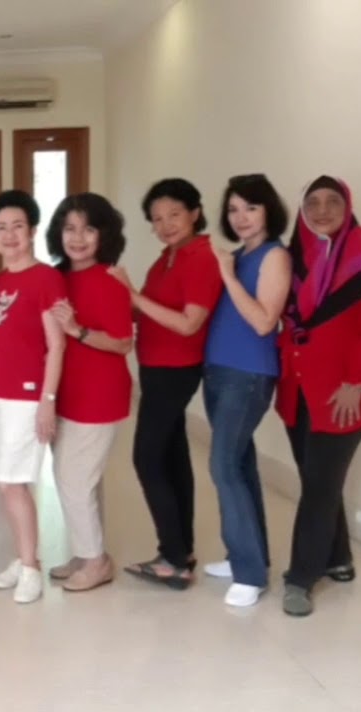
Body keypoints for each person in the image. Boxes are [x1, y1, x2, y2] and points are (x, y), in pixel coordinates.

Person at [277, 176, 361, 617]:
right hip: (298, 389)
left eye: (333, 201)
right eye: (313, 202)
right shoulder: (297, 257)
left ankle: (300, 579)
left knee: (319, 487)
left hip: (344, 394)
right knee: (319, 482)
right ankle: (339, 558)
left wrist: (355, 382)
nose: (323, 210)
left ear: (347, 208)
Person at [111, 178, 223, 590]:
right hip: (156, 367)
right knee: (172, 458)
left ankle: (173, 556)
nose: (165, 225)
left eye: (174, 214)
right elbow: (149, 312)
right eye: (157, 219)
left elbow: (190, 322)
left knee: (147, 458)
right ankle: (181, 553)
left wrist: (133, 296)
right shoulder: (166, 259)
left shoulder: (201, 257)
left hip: (176, 369)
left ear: (195, 213)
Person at [199, 174, 292, 608]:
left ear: (268, 210)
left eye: (251, 208)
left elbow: (263, 321)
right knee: (239, 465)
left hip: (249, 374)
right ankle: (245, 557)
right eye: (234, 209)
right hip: (218, 371)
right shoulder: (237, 256)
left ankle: (250, 574)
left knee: (222, 465)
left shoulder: (275, 256)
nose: (241, 217)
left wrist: (227, 275)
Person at [0, 190, 66, 605]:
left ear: (32, 231)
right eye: (1, 228)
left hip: (25, 397)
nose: (9, 235)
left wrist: (47, 399)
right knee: (3, 483)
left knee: (15, 483)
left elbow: (57, 344)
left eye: (17, 226)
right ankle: (23, 556)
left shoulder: (46, 279)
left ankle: (31, 568)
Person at [43, 193, 133, 593]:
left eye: (88, 229)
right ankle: (86, 553)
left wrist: (76, 330)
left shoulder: (110, 280)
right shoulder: (55, 277)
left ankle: (96, 562)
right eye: (69, 229)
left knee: (73, 478)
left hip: (98, 395)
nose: (77, 238)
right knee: (79, 478)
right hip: (63, 392)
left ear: (104, 234)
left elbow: (123, 342)